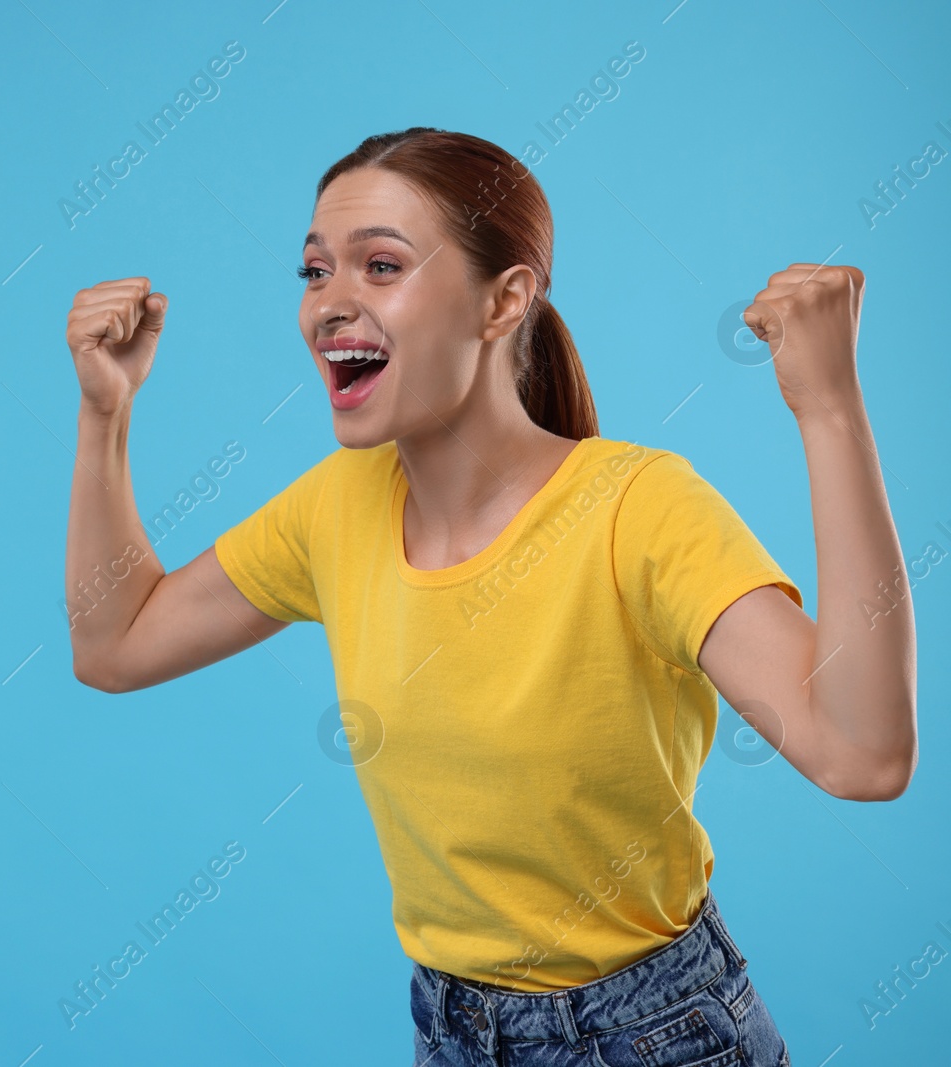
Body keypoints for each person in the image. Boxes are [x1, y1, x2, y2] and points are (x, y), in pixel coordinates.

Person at [61, 126, 916, 1066]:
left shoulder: (636, 507)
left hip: (653, 1034)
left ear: (505, 298)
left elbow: (862, 754)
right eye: (314, 273)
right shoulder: (338, 505)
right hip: (453, 1028)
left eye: (381, 265)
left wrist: (831, 409)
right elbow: (116, 644)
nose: (330, 305)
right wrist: (107, 412)